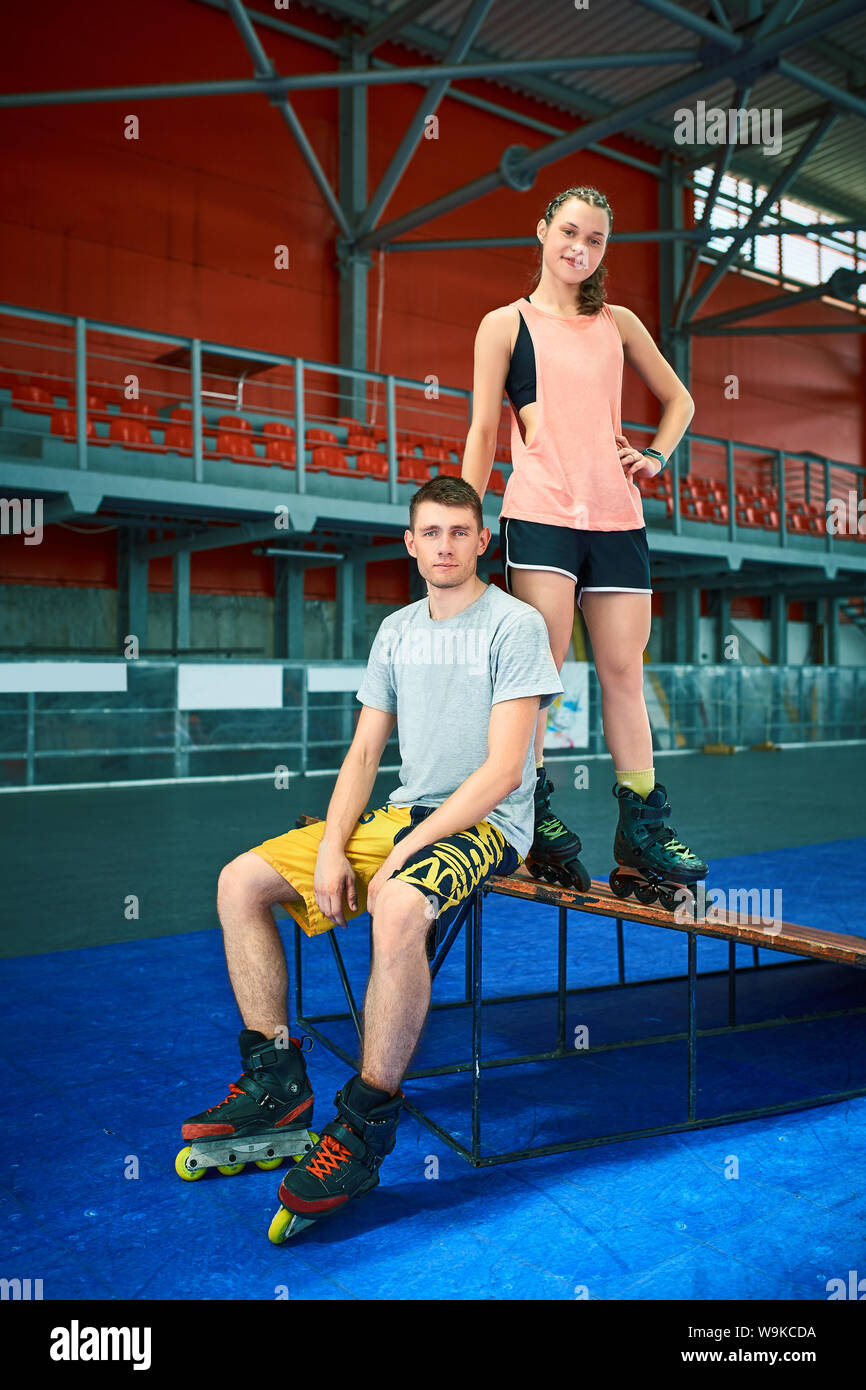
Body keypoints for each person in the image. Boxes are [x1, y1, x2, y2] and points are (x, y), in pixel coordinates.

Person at [176, 476, 563, 1238]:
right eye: (432, 532)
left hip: (486, 822)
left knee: (397, 904)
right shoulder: (397, 630)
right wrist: (330, 849)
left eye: (461, 532)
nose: (446, 545)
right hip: (402, 810)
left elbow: (502, 773)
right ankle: (276, 1082)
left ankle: (363, 1124)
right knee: (240, 882)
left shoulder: (514, 626)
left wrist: (402, 855)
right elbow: (362, 754)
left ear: (482, 541)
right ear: (410, 542)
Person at [461, 184, 708, 910]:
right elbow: (481, 431)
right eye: (569, 231)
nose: (580, 246)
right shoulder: (504, 324)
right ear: (542, 230)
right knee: (545, 673)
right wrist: (469, 520)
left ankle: (641, 833)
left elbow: (681, 400)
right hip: (539, 516)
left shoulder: (619, 322)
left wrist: (657, 456)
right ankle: (525, 810)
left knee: (624, 673)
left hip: (617, 518)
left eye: (595, 238)